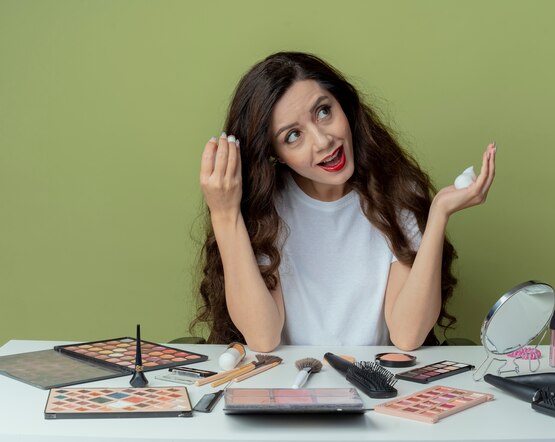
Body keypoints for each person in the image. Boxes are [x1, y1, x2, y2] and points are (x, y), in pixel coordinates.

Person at [193, 52, 496, 352]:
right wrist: (224, 214)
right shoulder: (266, 209)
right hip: (288, 388)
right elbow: (262, 337)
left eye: (324, 112)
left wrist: (439, 213)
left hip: (373, 386)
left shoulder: (395, 193)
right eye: (293, 136)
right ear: (274, 153)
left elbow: (407, 334)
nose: (323, 141)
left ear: (344, 106)